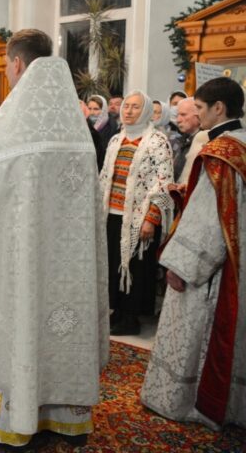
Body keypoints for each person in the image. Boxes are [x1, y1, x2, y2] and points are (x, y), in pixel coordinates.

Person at [0, 29, 109, 447]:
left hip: (20, 258)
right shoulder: (77, 126)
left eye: (7, 66)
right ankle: (64, 417)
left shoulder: (8, 128)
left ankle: (14, 416)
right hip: (70, 264)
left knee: (21, 321)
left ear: (17, 64)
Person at [141, 76, 245, 430]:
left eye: (199, 107)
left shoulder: (220, 154)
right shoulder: (242, 144)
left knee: (200, 334)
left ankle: (189, 402)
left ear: (219, 107)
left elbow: (208, 219)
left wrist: (180, 266)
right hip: (239, 258)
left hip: (211, 266)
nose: (196, 114)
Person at [100, 91, 174, 336]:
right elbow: (105, 177)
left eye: (135, 107)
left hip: (140, 217)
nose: (128, 111)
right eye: (127, 106)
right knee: (114, 263)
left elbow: (163, 183)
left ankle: (131, 318)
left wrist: (151, 219)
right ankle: (117, 311)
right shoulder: (115, 140)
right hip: (112, 213)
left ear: (145, 112)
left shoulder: (157, 141)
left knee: (136, 267)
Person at [172, 97, 206, 185]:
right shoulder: (181, 140)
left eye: (183, 115)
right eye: (177, 115)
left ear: (198, 115)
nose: (178, 120)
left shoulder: (205, 141)